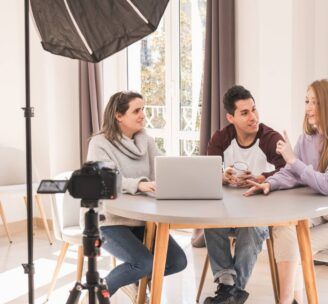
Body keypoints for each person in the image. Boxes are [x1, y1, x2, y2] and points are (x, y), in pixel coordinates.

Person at [244, 79, 328, 304]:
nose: (309, 107)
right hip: (323, 215)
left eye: (315, 102)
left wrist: (292, 159)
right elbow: (293, 172)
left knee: (297, 243)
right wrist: (270, 183)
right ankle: (291, 300)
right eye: (307, 101)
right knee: (284, 229)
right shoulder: (308, 137)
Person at [86, 91, 187, 301]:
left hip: (142, 220)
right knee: (145, 263)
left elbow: (162, 168)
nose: (143, 115)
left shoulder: (146, 141)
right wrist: (140, 184)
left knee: (177, 262)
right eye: (137, 110)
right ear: (119, 116)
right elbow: (105, 180)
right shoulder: (99, 143)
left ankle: (133, 278)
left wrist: (181, 178)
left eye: (143, 109)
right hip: (108, 220)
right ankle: (98, 292)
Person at [203, 85, 286, 304]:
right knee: (210, 223)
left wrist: (262, 178)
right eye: (245, 112)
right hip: (227, 211)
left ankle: (230, 291)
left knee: (251, 230)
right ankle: (230, 287)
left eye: (254, 109)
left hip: (260, 213)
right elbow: (208, 172)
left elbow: (288, 171)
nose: (253, 117)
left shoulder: (269, 138)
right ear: (230, 117)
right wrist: (222, 176)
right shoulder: (221, 138)